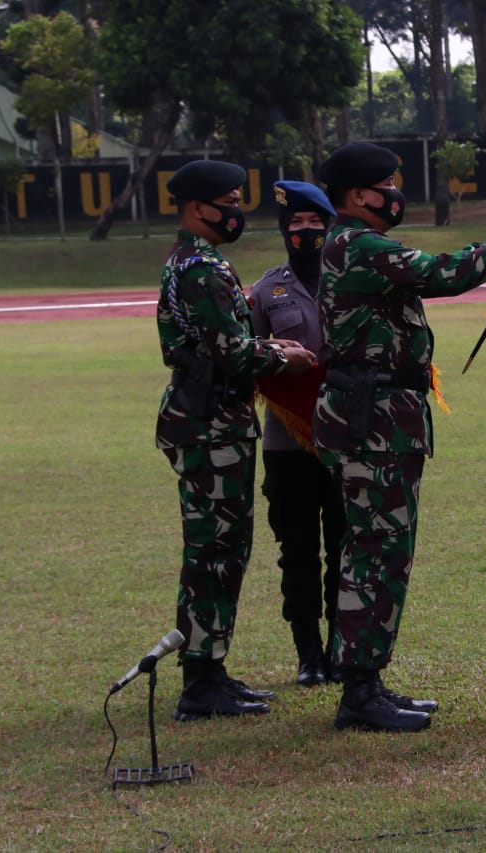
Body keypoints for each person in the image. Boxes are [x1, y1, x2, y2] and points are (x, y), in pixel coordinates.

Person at [314, 142, 486, 733]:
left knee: (376, 552)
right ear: (357, 196)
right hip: (372, 421)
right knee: (375, 554)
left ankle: (367, 681)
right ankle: (359, 692)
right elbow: (442, 275)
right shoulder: (359, 245)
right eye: (386, 185)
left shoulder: (352, 244)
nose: (395, 194)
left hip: (378, 414)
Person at [156, 160, 317, 721]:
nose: (236, 211)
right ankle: (202, 680)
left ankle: (210, 668)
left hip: (206, 419)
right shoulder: (203, 269)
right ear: (198, 208)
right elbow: (233, 350)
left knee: (218, 548)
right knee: (215, 551)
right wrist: (285, 354)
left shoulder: (191, 260)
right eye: (227, 201)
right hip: (210, 423)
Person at [250, 181, 346, 687]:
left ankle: (340, 647)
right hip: (288, 444)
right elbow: (247, 357)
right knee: (299, 547)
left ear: (329, 227)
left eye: (313, 224)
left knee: (347, 544)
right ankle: (308, 653)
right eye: (295, 225)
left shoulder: (352, 281)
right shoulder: (267, 291)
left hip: (347, 437)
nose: (304, 232)